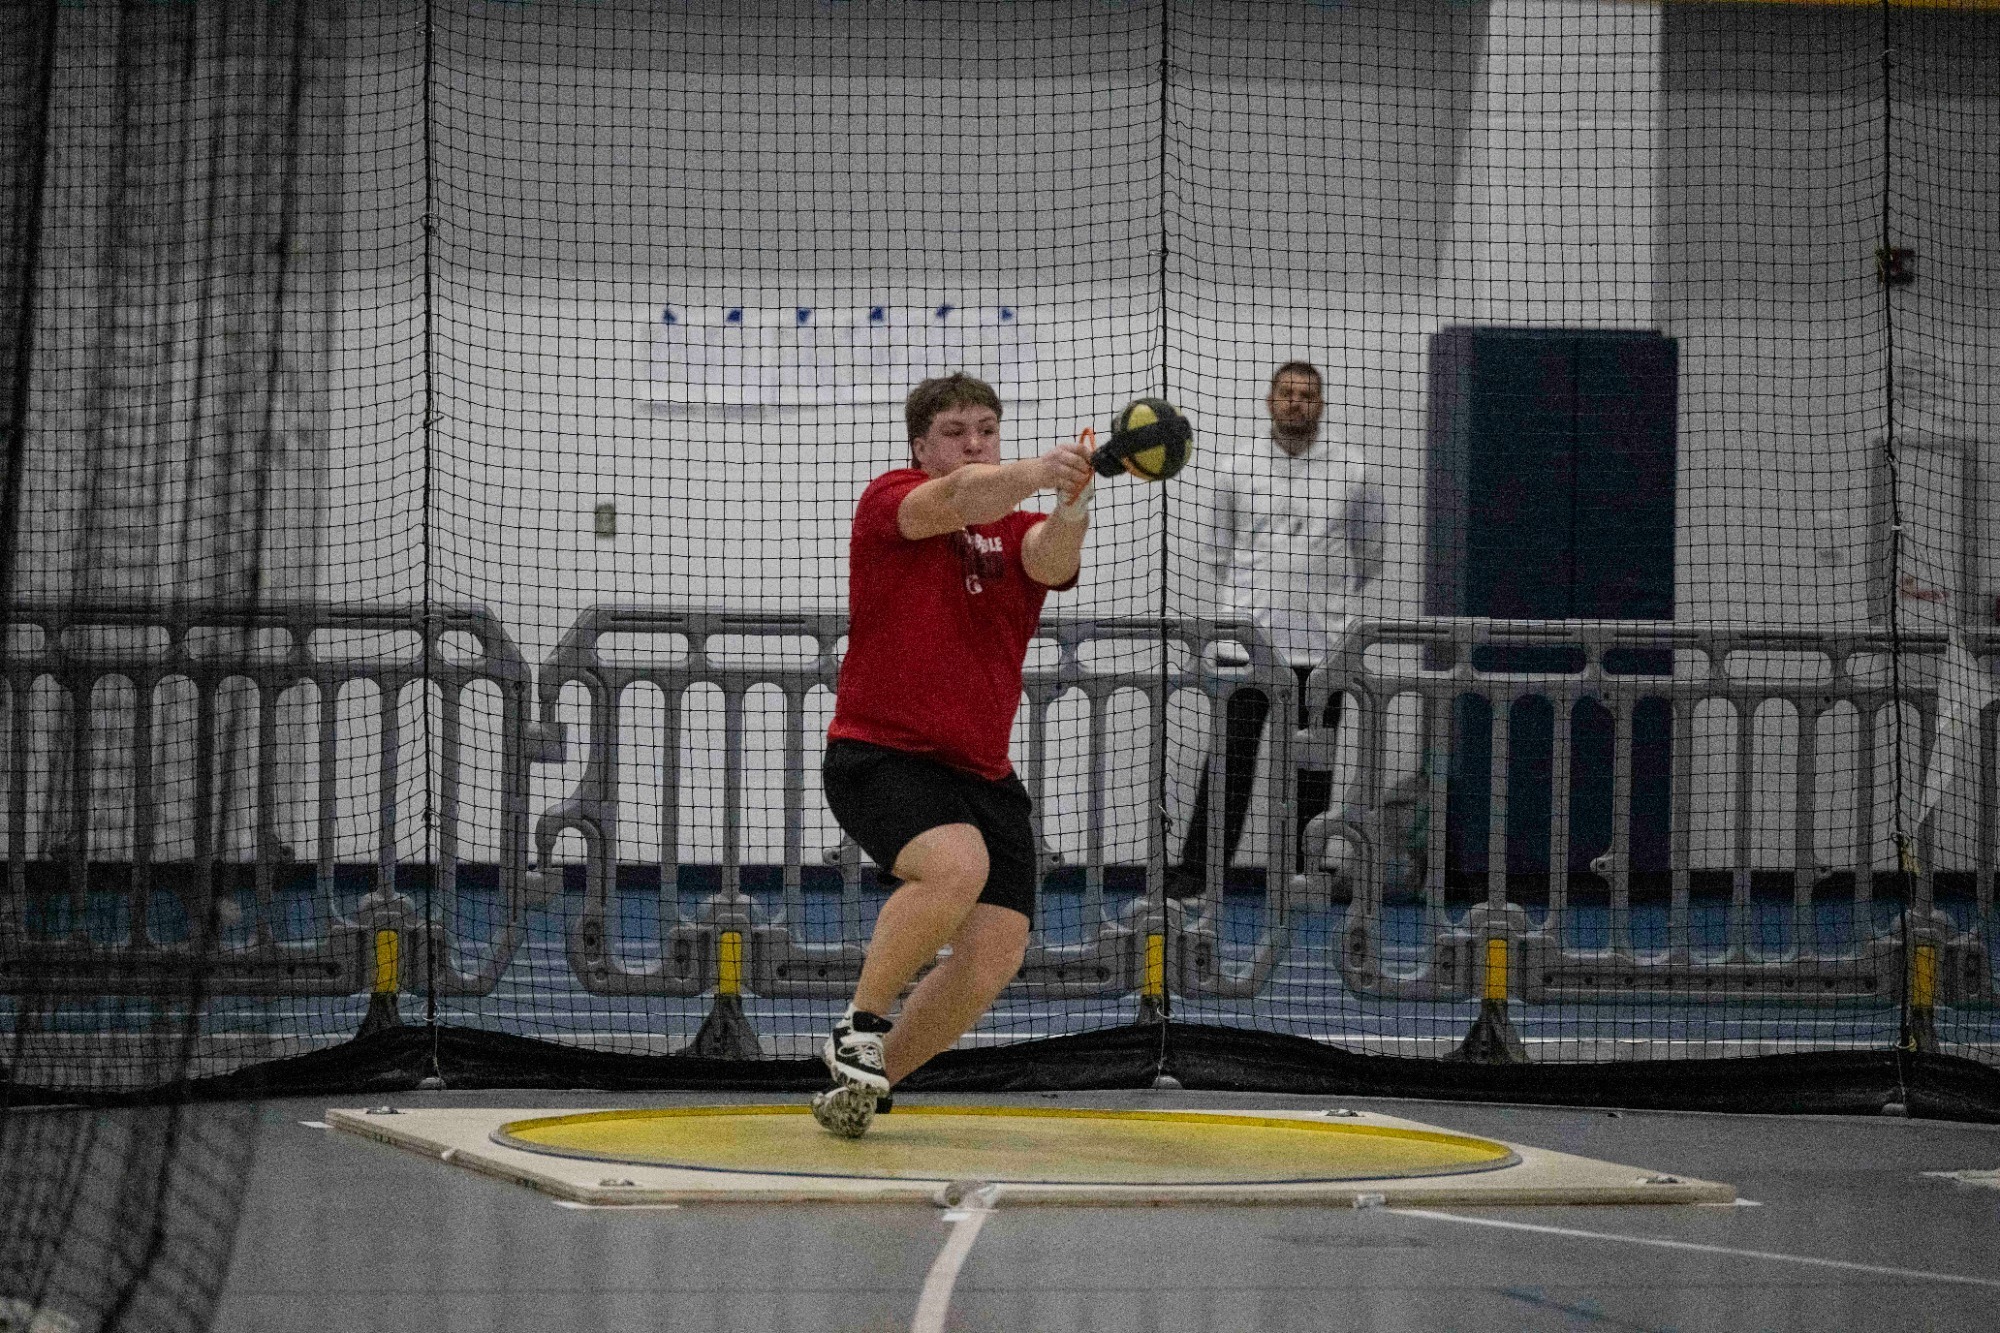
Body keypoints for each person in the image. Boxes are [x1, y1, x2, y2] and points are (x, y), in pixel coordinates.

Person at [812, 372, 1096, 1137]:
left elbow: (1048, 559)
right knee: (954, 867)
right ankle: (859, 1026)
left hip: (983, 770)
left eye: (987, 429)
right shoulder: (892, 499)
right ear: (920, 445)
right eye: (955, 431)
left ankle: (867, 1084)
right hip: (881, 752)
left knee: (995, 948)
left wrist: (1072, 503)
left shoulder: (1016, 525)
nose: (974, 443)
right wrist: (1043, 467)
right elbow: (964, 496)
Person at [1165, 361, 1383, 900]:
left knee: (1313, 766)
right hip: (1248, 646)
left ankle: (1301, 874)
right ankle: (1198, 874)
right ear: (1269, 401)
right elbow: (1218, 552)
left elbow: (1370, 555)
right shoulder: (1235, 467)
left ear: (1320, 405)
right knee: (1229, 760)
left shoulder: (1354, 470)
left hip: (1322, 648)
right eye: (1286, 392)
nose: (1295, 402)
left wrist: (1326, 601)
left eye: (1307, 394)